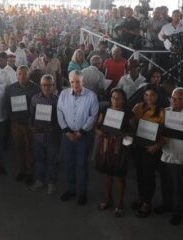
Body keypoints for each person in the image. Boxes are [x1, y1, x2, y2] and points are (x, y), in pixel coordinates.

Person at [57, 70, 99, 205]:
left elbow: (93, 116)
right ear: (69, 82)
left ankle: (82, 192)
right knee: (68, 163)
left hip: (83, 137)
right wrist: (67, 132)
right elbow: (59, 113)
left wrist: (81, 132)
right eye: (72, 82)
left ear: (83, 81)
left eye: (78, 81)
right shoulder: (63, 94)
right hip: (67, 136)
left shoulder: (91, 96)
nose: (75, 84)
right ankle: (71, 189)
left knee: (81, 165)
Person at [156, 87, 183, 226]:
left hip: (182, 156)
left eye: (179, 99)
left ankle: (178, 213)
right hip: (166, 154)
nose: (175, 101)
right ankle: (167, 205)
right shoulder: (165, 112)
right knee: (165, 183)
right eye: (173, 98)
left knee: (179, 187)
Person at [95, 88, 131, 217]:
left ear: (123, 100)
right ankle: (107, 199)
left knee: (119, 177)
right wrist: (100, 132)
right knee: (107, 176)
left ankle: (120, 204)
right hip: (105, 147)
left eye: (118, 98)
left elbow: (131, 133)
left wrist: (121, 135)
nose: (115, 100)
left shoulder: (128, 114)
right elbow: (97, 127)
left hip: (119, 149)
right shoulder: (105, 110)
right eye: (113, 97)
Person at [131, 84, 165, 218]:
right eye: (146, 95)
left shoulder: (162, 111)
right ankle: (141, 197)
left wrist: (156, 146)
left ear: (157, 96)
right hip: (138, 146)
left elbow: (165, 133)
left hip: (151, 148)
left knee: (148, 176)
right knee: (139, 174)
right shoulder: (138, 107)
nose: (149, 98)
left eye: (152, 95)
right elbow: (131, 122)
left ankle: (147, 203)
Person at [29, 75, 60, 195]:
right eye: (44, 85)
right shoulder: (35, 98)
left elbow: (60, 120)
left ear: (53, 86)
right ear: (40, 86)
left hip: (52, 137)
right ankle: (39, 181)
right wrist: (31, 126)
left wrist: (54, 128)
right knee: (39, 160)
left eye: (49, 85)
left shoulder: (58, 100)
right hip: (38, 137)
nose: (46, 87)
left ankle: (51, 183)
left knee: (52, 161)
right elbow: (32, 114)